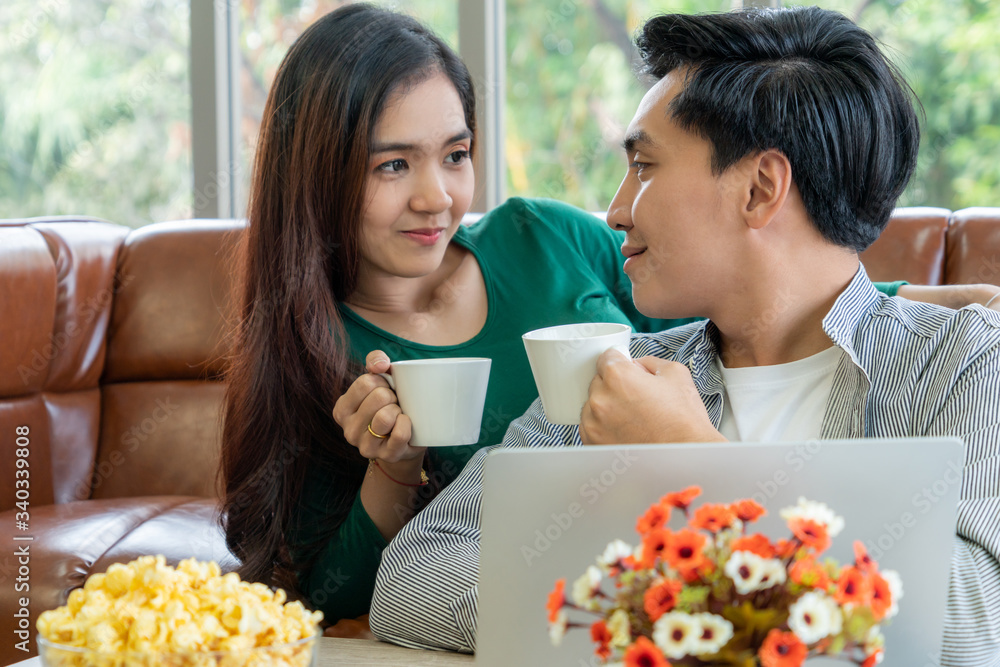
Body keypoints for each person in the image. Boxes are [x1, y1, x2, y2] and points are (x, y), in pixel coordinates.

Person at [368, 7, 1000, 665]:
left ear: (759, 189)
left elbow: (975, 621)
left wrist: (695, 463)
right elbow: (417, 575)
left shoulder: (963, 360)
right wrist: (660, 615)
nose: (615, 209)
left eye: (643, 165)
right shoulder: (615, 376)